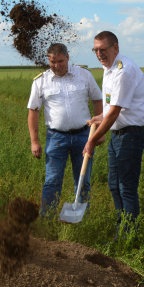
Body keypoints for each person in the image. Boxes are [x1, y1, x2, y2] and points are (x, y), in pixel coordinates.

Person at [85, 31, 144, 237]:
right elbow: (111, 108)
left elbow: (114, 113)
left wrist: (92, 141)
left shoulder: (124, 71)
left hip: (131, 135)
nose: (99, 54)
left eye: (103, 49)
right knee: (114, 185)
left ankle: (129, 235)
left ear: (115, 47)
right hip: (119, 135)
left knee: (126, 187)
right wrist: (100, 118)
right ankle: (121, 230)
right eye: (95, 50)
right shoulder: (110, 68)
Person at [27, 43, 102, 218]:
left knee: (83, 181)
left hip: (84, 136)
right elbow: (33, 111)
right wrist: (34, 141)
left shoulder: (84, 75)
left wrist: (99, 132)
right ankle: (47, 219)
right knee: (52, 181)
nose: (56, 65)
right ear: (48, 60)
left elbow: (98, 101)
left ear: (68, 58)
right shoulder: (41, 81)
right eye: (52, 62)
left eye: (60, 61)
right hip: (56, 138)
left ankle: (82, 217)